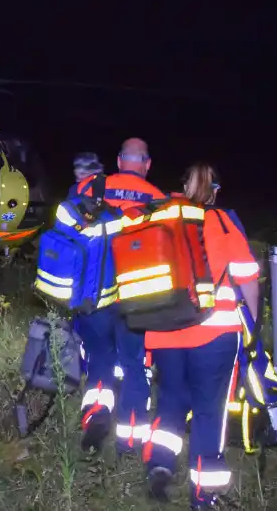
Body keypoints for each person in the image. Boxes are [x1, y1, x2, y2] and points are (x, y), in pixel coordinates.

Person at [140, 163, 260, 508]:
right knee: (210, 411)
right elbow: (248, 279)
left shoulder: (156, 218)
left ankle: (160, 463)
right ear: (215, 191)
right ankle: (204, 494)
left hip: (164, 333)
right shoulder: (221, 223)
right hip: (215, 334)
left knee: (171, 401)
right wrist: (253, 324)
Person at [71, 138, 166, 454]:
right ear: (147, 164)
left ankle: (96, 415)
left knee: (99, 358)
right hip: (137, 298)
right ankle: (129, 440)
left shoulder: (94, 188)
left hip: (94, 293)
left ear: (119, 160)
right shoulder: (158, 199)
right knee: (134, 365)